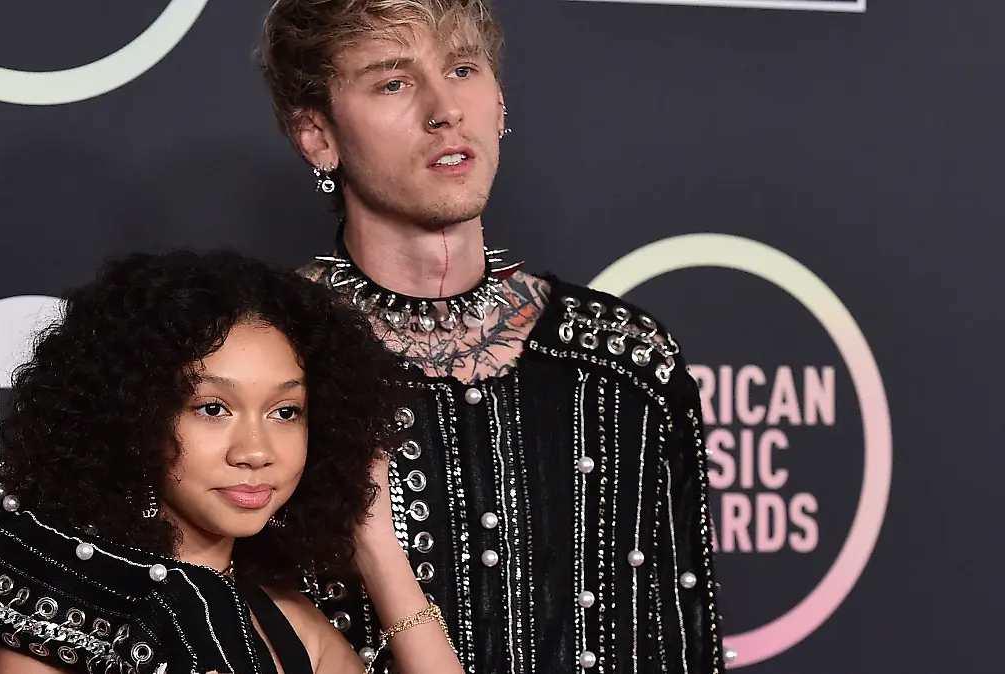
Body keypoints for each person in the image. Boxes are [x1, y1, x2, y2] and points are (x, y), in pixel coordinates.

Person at [257, 2, 730, 673]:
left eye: (462, 68)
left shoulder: (622, 361)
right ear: (317, 136)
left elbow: (684, 646)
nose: (443, 108)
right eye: (393, 82)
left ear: (501, 102)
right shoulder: (265, 366)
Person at [0, 250, 467, 674]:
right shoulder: (68, 622)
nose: (255, 451)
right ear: (134, 415)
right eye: (213, 408)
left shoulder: (289, 622)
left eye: (286, 411)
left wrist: (382, 554)